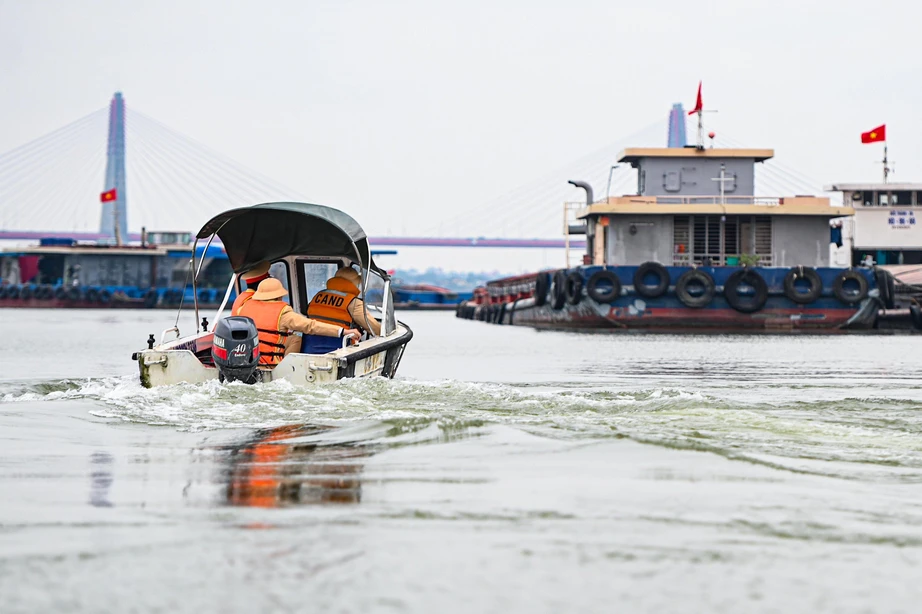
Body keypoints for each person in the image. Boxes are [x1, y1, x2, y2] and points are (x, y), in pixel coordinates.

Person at [238, 278, 359, 367]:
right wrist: (343, 331)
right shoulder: (284, 314)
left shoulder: (243, 308)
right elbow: (311, 326)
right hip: (269, 364)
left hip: (248, 361)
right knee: (297, 338)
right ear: (279, 296)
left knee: (293, 337)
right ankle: (284, 368)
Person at [303, 266, 381, 354]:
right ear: (354, 283)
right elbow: (375, 329)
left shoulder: (317, 297)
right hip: (339, 353)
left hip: (309, 350)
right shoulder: (353, 302)